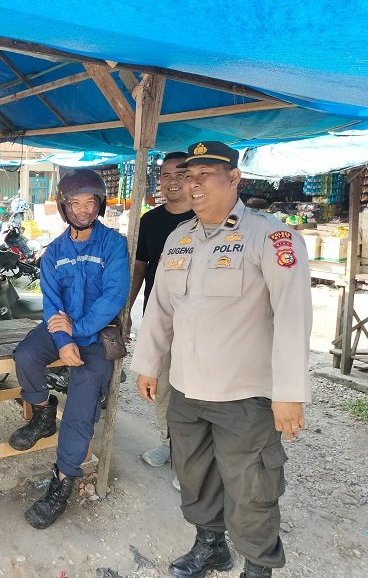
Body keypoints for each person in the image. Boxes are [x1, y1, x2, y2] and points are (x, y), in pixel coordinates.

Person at [132, 141, 312, 578]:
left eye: (205, 176)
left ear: (234, 178)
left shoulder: (270, 236)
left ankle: (258, 566)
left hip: (244, 393)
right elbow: (160, 308)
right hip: (187, 389)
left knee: (251, 487)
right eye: (188, 176)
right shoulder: (180, 237)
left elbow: (293, 315)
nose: (192, 185)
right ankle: (210, 546)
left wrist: (289, 393)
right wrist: (147, 363)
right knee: (194, 475)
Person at [8, 169, 129, 529]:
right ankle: (43, 413)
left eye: (90, 201)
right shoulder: (55, 251)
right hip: (62, 327)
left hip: (96, 332)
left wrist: (78, 331)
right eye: (75, 202)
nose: (83, 209)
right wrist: (63, 341)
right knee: (26, 356)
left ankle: (63, 480)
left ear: (99, 204)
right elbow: (51, 302)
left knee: (83, 397)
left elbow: (114, 296)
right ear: (64, 206)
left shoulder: (113, 245)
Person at [126, 151, 195, 475]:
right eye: (166, 175)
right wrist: (126, 312)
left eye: (180, 174)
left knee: (194, 386)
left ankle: (192, 457)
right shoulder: (150, 221)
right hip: (161, 317)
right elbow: (139, 269)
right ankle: (169, 443)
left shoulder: (204, 218)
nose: (172, 181)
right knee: (162, 383)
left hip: (198, 320)